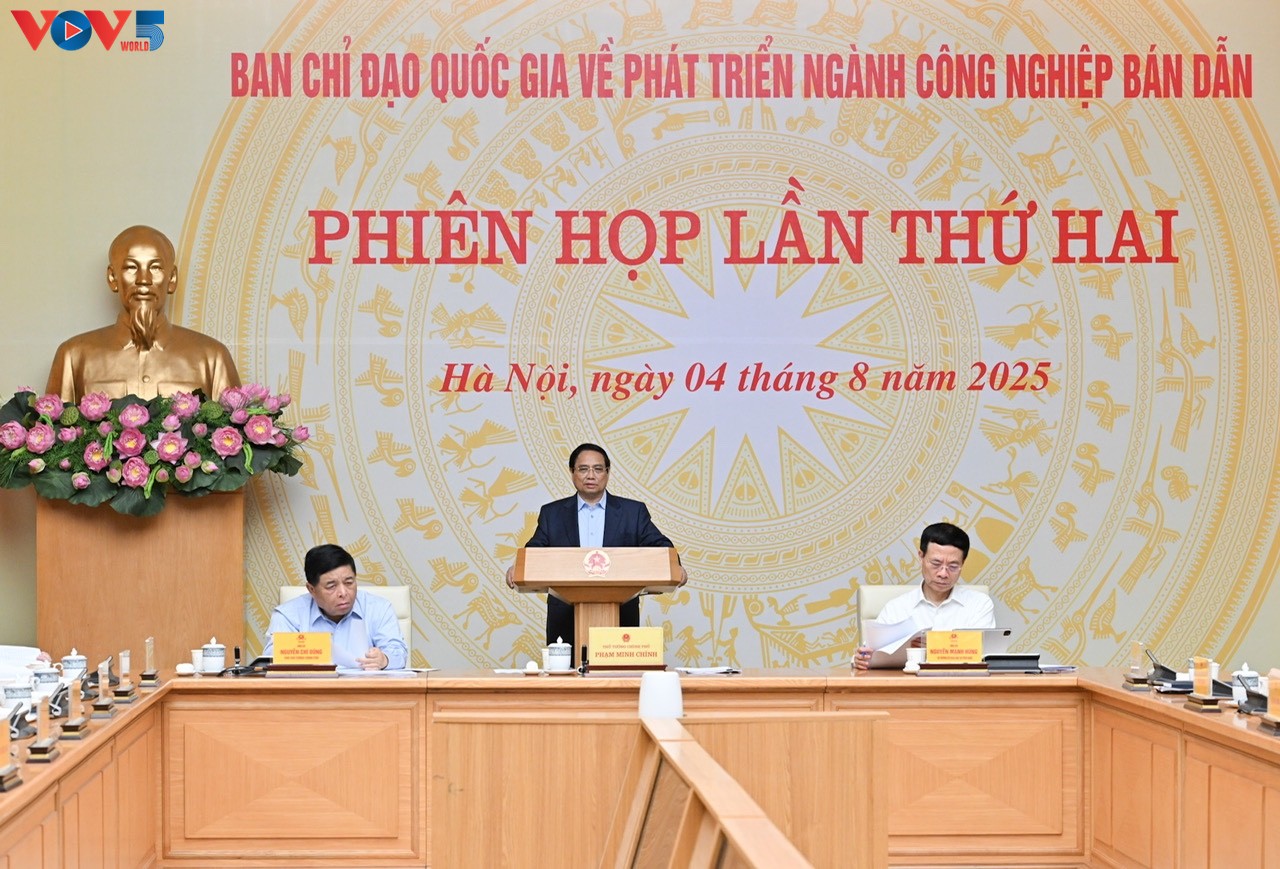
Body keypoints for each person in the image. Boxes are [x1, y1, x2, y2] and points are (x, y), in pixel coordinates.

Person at [506, 442, 686, 648]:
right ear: (572, 472)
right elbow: (535, 550)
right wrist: (518, 567)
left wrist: (675, 566)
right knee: (567, 670)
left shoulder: (633, 512)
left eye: (598, 469)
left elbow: (661, 545)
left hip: (621, 615)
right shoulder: (552, 513)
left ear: (607, 473)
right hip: (565, 619)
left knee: (615, 669)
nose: (590, 475)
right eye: (583, 469)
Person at [46, 225, 240, 402]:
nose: (143, 280)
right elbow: (53, 426)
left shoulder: (213, 358)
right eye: (131, 267)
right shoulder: (74, 356)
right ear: (112, 277)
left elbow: (235, 427)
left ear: (172, 279)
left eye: (155, 267)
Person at [854, 522, 996, 670]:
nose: (943, 573)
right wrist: (861, 659)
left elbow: (984, 657)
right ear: (921, 557)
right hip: (908, 683)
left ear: (963, 563)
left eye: (953, 566)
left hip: (962, 683)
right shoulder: (897, 608)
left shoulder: (979, 605)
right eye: (936, 563)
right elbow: (872, 654)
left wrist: (933, 647)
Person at [264, 544, 408, 670]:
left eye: (349, 582)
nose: (343, 593)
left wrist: (384, 660)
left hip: (366, 690)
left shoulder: (378, 608)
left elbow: (398, 653)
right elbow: (273, 659)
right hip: (311, 690)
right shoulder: (288, 616)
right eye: (331, 586)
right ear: (311, 589)